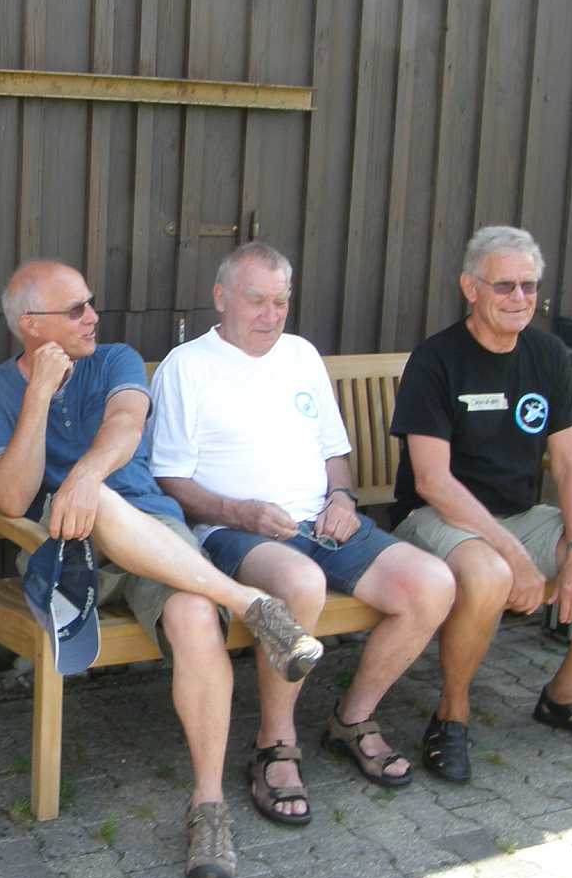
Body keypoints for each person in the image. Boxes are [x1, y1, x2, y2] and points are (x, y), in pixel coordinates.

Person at [0, 260, 323, 878]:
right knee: (100, 508)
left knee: (191, 612)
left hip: (156, 533)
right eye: (74, 309)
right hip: (65, 548)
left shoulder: (115, 360)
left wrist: (83, 477)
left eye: (90, 302)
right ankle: (251, 604)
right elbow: (13, 498)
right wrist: (39, 395)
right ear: (31, 325)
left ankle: (208, 807)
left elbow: (127, 427)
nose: (92, 316)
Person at [149, 242, 454, 825]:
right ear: (221, 298)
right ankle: (274, 743)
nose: (271, 315)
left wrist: (342, 497)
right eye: (256, 300)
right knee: (302, 583)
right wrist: (240, 512)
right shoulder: (187, 366)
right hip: (233, 532)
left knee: (432, 583)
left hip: (322, 520)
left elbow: (334, 452)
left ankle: (352, 718)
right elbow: (170, 479)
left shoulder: (302, 355)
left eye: (281, 301)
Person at [389, 225, 572, 784]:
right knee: (489, 574)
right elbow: (433, 482)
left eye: (529, 286)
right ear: (471, 288)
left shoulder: (547, 354)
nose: (519, 298)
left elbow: (569, 463)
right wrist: (514, 555)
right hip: (437, 518)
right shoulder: (437, 359)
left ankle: (564, 698)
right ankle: (452, 716)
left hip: (522, 516)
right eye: (504, 286)